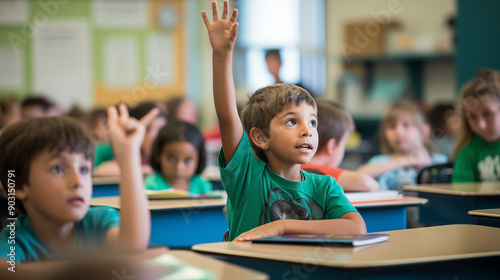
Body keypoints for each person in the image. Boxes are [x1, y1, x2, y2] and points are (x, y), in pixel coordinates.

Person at [201, 1, 365, 242]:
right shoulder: (248, 176)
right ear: (260, 137)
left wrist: (283, 227)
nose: (306, 131)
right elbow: (226, 116)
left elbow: (357, 228)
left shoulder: (325, 186)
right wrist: (222, 55)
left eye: (312, 123)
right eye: (291, 122)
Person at [0, 104, 156, 271]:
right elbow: (7, 272)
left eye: (84, 169)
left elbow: (133, 243)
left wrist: (128, 152)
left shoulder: (98, 220)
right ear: (17, 185)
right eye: (58, 168)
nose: (77, 181)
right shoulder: (14, 238)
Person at [358, 100, 448, 192]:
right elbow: (359, 175)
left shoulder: (439, 160)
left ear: (424, 131)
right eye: (392, 127)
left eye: (406, 125)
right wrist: (404, 161)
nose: (398, 132)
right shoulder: (380, 161)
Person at [302, 100, 380, 192]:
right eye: (344, 145)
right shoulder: (313, 171)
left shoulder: (292, 165)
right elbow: (367, 183)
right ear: (332, 146)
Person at [452, 68, 500, 182]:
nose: (481, 125)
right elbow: (462, 196)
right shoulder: (467, 153)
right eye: (473, 117)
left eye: (488, 114)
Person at [94, 102, 167, 176]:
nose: (155, 136)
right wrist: (141, 169)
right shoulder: (135, 153)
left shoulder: (163, 154)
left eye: (161, 130)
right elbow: (101, 171)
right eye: (148, 129)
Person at [145, 119, 212, 194]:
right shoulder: (150, 186)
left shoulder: (202, 185)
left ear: (199, 159)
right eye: (171, 159)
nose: (179, 167)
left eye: (188, 161)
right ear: (158, 155)